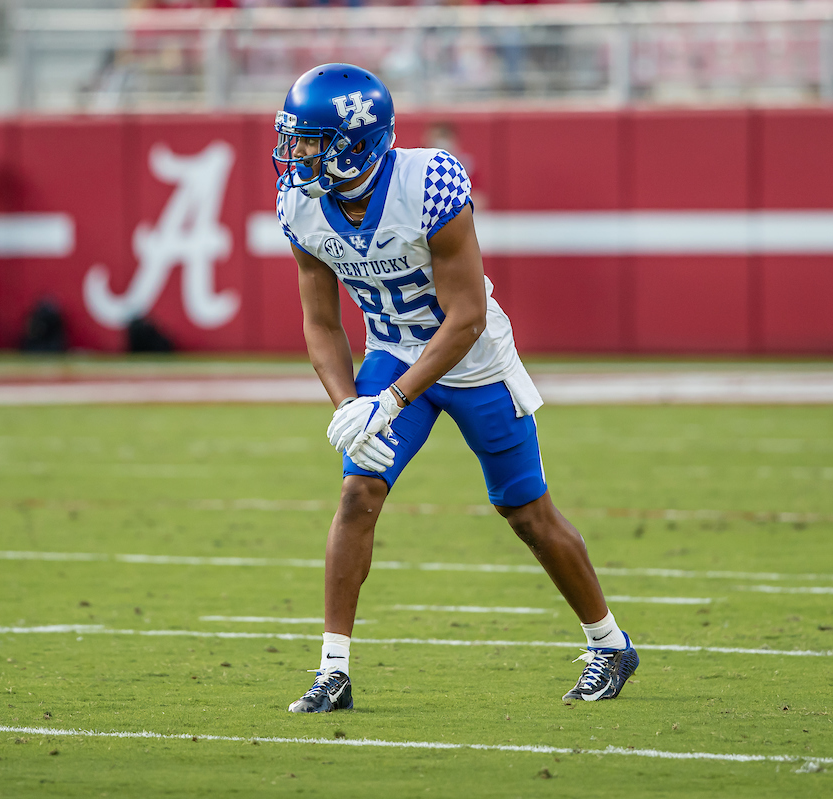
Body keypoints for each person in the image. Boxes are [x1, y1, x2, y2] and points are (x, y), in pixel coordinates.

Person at [273, 63, 639, 713]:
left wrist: (389, 401)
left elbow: (466, 318)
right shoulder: (301, 206)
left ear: (354, 141)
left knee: (526, 511)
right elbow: (321, 322)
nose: (295, 154)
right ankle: (333, 670)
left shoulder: (430, 182)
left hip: (473, 361)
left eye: (309, 140)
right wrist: (350, 406)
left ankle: (609, 644)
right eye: (294, 139)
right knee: (358, 492)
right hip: (390, 351)